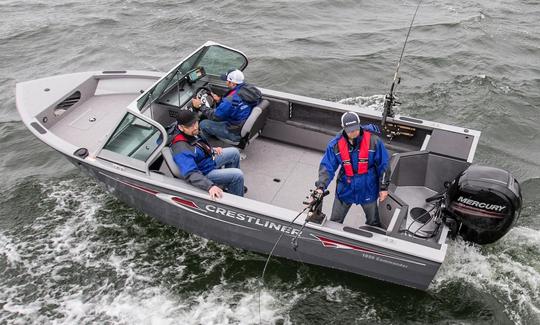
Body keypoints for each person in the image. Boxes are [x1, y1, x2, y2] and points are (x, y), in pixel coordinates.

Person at [314, 111, 390, 227]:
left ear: (359, 125)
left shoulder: (374, 141)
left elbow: (383, 164)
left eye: (355, 129)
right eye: (349, 130)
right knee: (335, 221)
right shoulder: (335, 145)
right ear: (343, 128)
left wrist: (383, 187)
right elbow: (327, 167)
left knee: (374, 222)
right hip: (345, 188)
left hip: (368, 187)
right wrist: (320, 187)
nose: (353, 132)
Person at [170, 110, 245, 199]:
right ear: (181, 127)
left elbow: (198, 145)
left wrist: (211, 149)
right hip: (203, 172)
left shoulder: (192, 132)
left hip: (207, 160)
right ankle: (236, 203)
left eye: (195, 123)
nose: (194, 127)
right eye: (190, 126)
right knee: (237, 175)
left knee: (234, 152)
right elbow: (190, 173)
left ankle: (231, 187)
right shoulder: (181, 148)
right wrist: (209, 186)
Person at [191, 69, 261, 142]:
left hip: (234, 131)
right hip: (241, 122)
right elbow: (235, 105)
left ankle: (203, 145)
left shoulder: (230, 100)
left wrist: (200, 106)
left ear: (233, 83)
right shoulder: (249, 91)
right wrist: (220, 100)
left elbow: (215, 117)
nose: (226, 82)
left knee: (203, 123)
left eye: (227, 81)